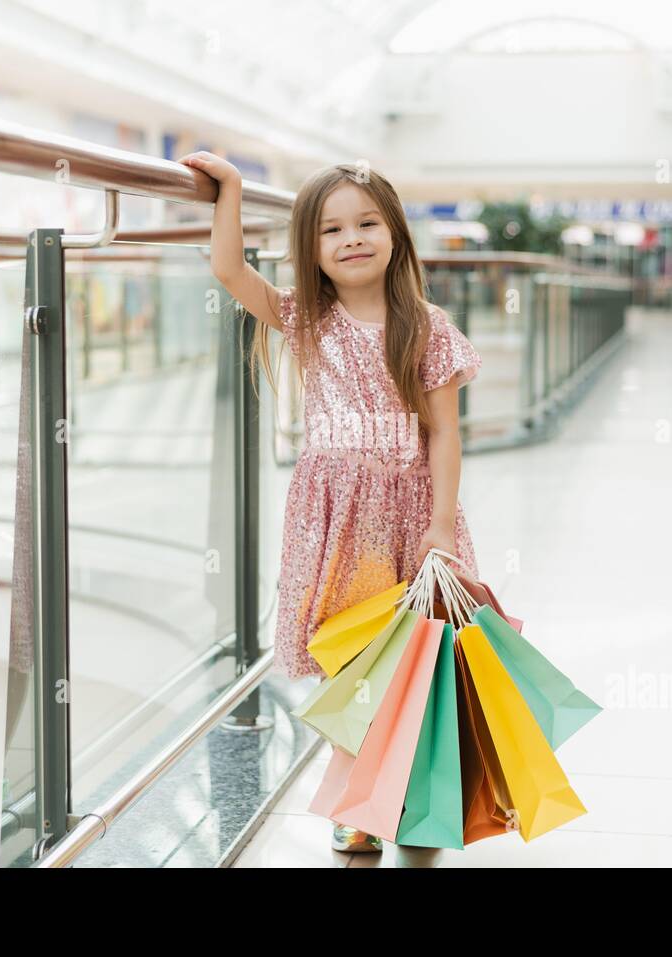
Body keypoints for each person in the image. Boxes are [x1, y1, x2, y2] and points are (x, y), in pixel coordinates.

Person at [180, 153, 482, 854]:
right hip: (335, 518)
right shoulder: (308, 317)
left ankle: (400, 794)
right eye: (332, 229)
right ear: (310, 249)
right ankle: (361, 798)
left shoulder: (427, 325)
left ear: (396, 232)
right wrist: (228, 190)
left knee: (411, 656)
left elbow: (444, 434)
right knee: (354, 662)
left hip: (410, 516)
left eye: (368, 223)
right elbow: (230, 272)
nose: (352, 239)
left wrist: (441, 523)